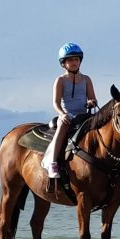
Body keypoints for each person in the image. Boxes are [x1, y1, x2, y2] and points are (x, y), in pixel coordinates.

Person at [42, 43, 97, 179]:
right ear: (63, 63)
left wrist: (91, 102)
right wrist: (62, 114)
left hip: (84, 115)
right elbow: (55, 102)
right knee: (63, 125)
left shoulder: (86, 79)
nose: (74, 62)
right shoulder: (60, 80)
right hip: (67, 115)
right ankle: (52, 162)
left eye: (76, 59)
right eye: (70, 60)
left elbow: (93, 98)